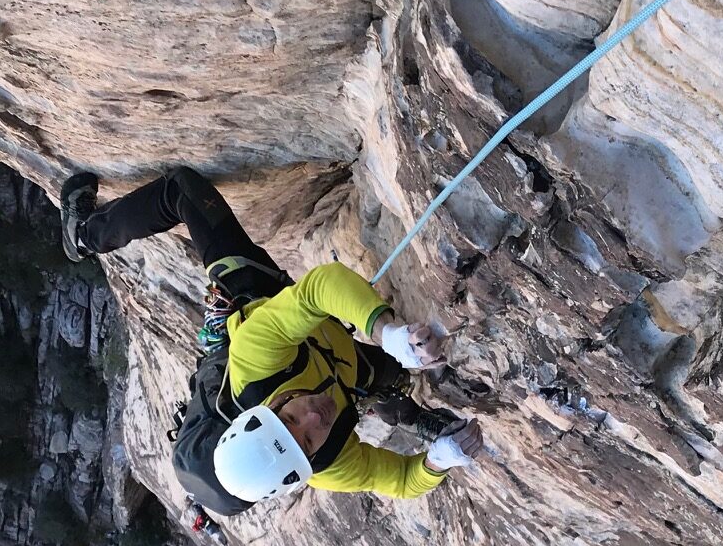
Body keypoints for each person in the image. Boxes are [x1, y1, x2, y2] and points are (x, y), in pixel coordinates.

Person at [58, 167, 483, 515]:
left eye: (290, 419)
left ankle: (84, 235)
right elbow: (403, 481)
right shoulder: (327, 464)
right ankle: (404, 410)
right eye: (308, 440)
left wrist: (385, 330)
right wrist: (438, 461)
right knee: (379, 378)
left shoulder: (255, 361)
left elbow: (320, 289)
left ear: (268, 407)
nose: (314, 420)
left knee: (181, 190)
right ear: (310, 461)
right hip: (338, 364)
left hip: (258, 302)